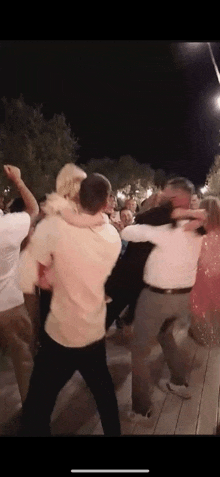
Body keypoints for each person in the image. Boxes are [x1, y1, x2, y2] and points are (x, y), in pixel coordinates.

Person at [18, 173, 122, 437]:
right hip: (91, 329)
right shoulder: (112, 236)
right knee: (103, 392)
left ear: (77, 197)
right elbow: (97, 222)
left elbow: (37, 280)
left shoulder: (53, 229)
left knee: (39, 401)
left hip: (60, 332)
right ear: (106, 202)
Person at [120, 177, 206, 421]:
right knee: (165, 335)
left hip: (157, 298)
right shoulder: (197, 228)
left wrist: (158, 208)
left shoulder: (167, 230)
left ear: (173, 199)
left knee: (139, 351)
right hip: (182, 298)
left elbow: (128, 231)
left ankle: (141, 409)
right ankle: (179, 382)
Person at [0, 165, 39, 404]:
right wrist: (19, 180)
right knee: (24, 359)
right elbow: (33, 209)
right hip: (10, 305)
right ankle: (33, 413)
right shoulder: (9, 226)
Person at [190, 196, 220, 346]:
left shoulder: (197, 229)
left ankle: (203, 336)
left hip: (202, 273)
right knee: (216, 306)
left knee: (200, 306)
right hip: (217, 274)